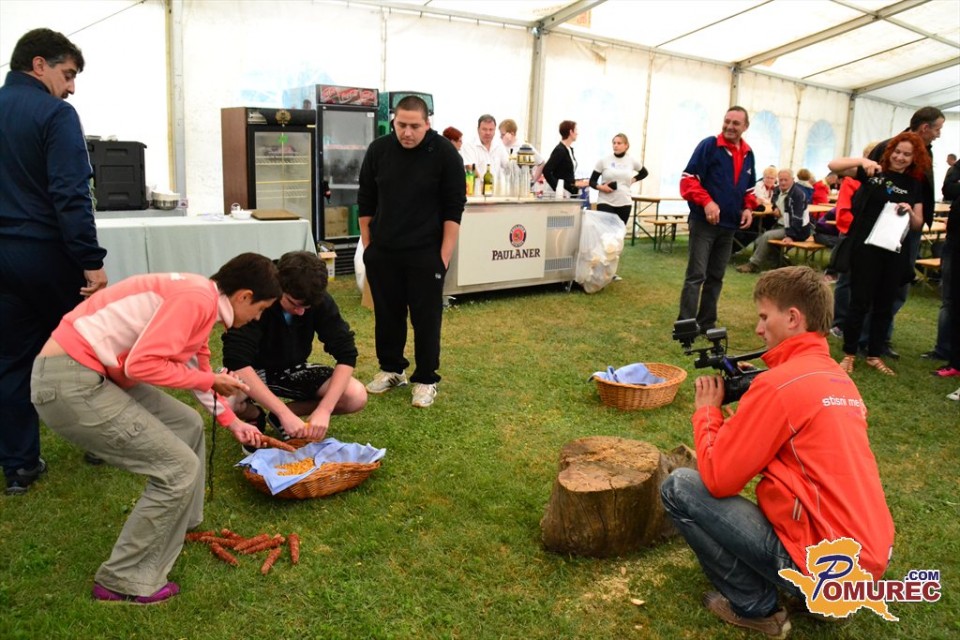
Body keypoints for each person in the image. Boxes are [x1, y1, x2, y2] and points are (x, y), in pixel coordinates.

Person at [29, 253, 281, 603]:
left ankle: (181, 521)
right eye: (261, 309)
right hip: (68, 382)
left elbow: (198, 373)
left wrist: (233, 421)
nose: (258, 317)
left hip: (88, 374)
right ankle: (122, 579)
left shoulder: (202, 300)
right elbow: (141, 365)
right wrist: (210, 380)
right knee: (178, 468)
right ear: (244, 296)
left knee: (188, 424)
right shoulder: (196, 300)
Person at [661, 266, 894, 637]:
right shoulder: (838, 378)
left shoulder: (778, 386)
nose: (758, 328)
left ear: (793, 317)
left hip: (827, 566)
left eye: (764, 316)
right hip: (866, 561)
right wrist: (755, 397)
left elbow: (719, 479)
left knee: (679, 487)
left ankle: (757, 608)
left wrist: (707, 412)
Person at [0, 28, 109, 495]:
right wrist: (91, 260)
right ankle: (100, 441)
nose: (71, 87)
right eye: (68, 74)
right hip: (46, 255)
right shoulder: (55, 114)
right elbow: (71, 193)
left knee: (10, 360)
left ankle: (19, 467)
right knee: (83, 350)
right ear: (39, 64)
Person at [357, 95, 465, 408]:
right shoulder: (379, 150)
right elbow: (366, 199)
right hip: (384, 252)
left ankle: (426, 379)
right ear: (394, 121)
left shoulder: (444, 153)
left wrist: (443, 256)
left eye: (414, 126)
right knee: (387, 315)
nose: (407, 132)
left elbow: (454, 208)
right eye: (401, 125)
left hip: (426, 253)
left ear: (427, 123)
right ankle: (392, 369)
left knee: (426, 319)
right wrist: (369, 246)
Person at [222, 251, 367, 450]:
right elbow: (236, 360)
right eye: (295, 304)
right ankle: (254, 414)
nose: (301, 312)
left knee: (355, 395)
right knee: (223, 402)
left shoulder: (316, 299)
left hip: (290, 369)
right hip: (250, 371)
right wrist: (283, 412)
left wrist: (325, 409)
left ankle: (283, 416)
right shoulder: (257, 297)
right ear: (278, 287)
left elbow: (347, 354)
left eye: (307, 307)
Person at [829, 131, 929, 376]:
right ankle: (849, 353)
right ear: (890, 151)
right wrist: (862, 161)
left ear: (914, 158)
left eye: (907, 154)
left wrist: (910, 211)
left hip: (894, 252)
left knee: (884, 305)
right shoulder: (874, 173)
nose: (900, 157)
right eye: (897, 152)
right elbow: (833, 165)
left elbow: (918, 224)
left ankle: (874, 355)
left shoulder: (915, 184)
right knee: (859, 301)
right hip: (866, 249)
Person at [867, 106, 944, 360]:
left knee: (897, 283)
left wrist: (917, 216)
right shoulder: (889, 146)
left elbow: (920, 195)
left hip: (908, 226)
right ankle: (865, 336)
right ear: (925, 127)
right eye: (937, 129)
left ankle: (880, 337)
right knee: (872, 283)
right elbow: (867, 180)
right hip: (882, 228)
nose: (939, 134)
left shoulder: (925, 152)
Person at [678, 106, 757, 331]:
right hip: (704, 223)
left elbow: (749, 189)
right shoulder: (709, 145)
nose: (730, 126)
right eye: (727, 121)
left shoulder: (748, 153)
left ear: (745, 127)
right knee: (696, 275)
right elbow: (688, 179)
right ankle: (685, 325)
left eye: (736, 123)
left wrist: (748, 208)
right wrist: (707, 201)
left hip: (729, 226)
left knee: (716, 276)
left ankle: (707, 322)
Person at [737, 169, 810, 273]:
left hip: (798, 230)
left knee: (767, 236)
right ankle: (782, 265)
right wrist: (775, 208)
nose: (783, 183)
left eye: (786, 180)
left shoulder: (798, 195)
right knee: (759, 240)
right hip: (781, 225)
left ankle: (753, 265)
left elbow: (797, 218)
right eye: (781, 180)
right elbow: (774, 202)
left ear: (793, 180)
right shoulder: (777, 190)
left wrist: (791, 236)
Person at [589, 133, 649, 225]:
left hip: (624, 202)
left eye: (619, 143)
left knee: (619, 231)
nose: (615, 145)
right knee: (606, 231)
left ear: (626, 145)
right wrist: (601, 187)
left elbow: (644, 173)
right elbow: (592, 181)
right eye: (614, 143)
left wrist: (633, 179)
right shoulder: (604, 161)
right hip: (605, 201)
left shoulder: (631, 161)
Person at [542, 120, 590, 197]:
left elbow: (565, 174)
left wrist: (576, 182)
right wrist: (558, 188)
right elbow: (546, 170)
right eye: (576, 130)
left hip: (567, 191)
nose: (577, 133)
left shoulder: (569, 149)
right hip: (559, 193)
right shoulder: (560, 150)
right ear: (571, 132)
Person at [461, 114, 507, 178]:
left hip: (496, 184)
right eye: (484, 129)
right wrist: (483, 182)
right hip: (476, 184)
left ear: (495, 131)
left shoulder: (499, 145)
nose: (488, 133)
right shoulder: (468, 146)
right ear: (478, 130)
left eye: (491, 129)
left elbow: (508, 166)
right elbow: (470, 168)